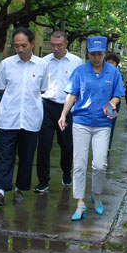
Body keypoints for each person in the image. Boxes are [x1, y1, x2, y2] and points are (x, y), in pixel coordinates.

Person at [58, 36, 124, 220]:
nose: (96, 58)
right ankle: (80, 202)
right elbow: (72, 95)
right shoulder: (80, 71)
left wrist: (112, 102)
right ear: (88, 53)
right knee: (79, 164)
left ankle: (96, 194)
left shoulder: (113, 72)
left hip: (103, 124)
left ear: (105, 53)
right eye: (93, 54)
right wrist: (63, 114)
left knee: (100, 164)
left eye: (100, 54)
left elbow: (118, 95)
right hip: (81, 122)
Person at [0, 27, 47, 206]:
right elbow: (0, 87)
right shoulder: (6, 64)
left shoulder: (42, 65)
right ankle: (0, 191)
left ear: (32, 44)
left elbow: (43, 89)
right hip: (9, 117)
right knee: (5, 154)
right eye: (16, 46)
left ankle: (19, 189)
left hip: (31, 118)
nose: (20, 49)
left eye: (24, 45)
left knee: (26, 156)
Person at [34, 30, 81, 194]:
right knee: (43, 145)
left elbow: (79, 86)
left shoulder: (76, 62)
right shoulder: (44, 62)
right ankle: (43, 181)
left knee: (67, 145)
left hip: (67, 108)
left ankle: (66, 172)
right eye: (53, 45)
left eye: (59, 45)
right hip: (46, 106)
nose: (55, 48)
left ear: (66, 44)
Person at [104, 53, 121, 150]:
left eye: (113, 62)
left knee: (110, 124)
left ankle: (107, 146)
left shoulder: (117, 74)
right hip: (103, 102)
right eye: (108, 62)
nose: (110, 64)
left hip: (113, 103)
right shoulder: (102, 72)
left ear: (116, 64)